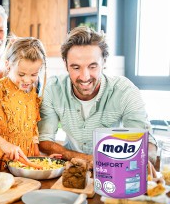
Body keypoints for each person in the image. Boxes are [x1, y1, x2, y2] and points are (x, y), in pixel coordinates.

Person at [37, 26, 157, 167]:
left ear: (104, 62)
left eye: (92, 66)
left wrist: (141, 160)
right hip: (71, 170)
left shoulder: (125, 91)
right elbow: (44, 141)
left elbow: (147, 144)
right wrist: (86, 159)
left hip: (115, 171)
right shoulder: (53, 88)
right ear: (65, 64)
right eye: (76, 67)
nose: (84, 76)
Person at [0, 37, 60, 172]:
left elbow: (32, 131)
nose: (27, 80)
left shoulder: (32, 91)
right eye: (21, 74)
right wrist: (4, 144)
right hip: (1, 162)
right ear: (8, 65)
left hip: (26, 164)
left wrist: (39, 160)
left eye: (34, 74)